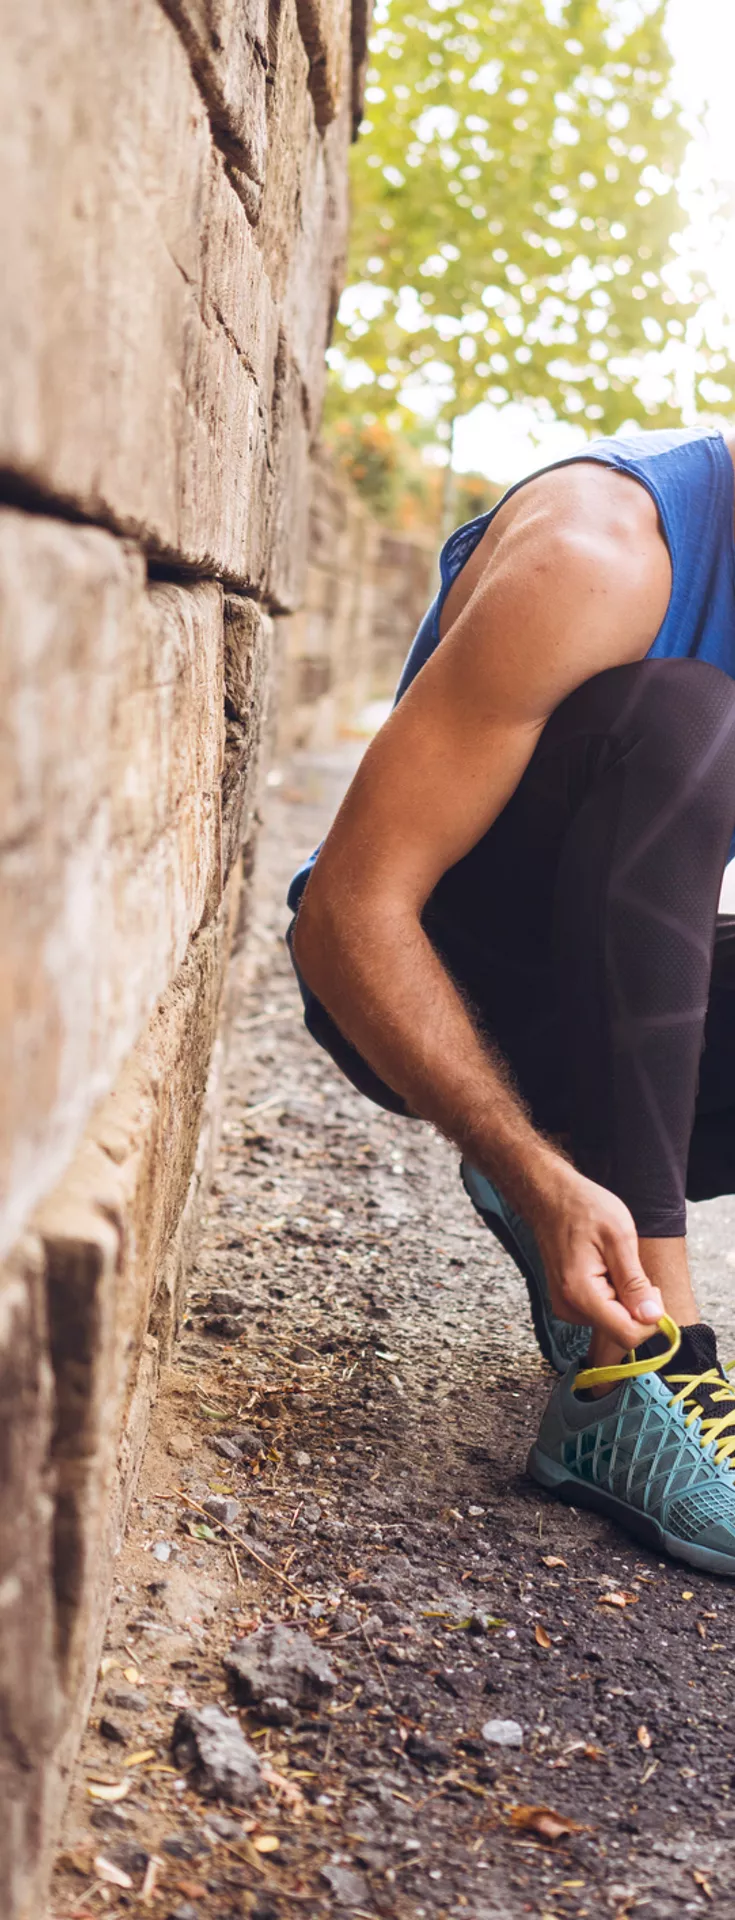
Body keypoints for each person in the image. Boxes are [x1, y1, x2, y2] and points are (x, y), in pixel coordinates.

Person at [287, 425, 735, 1577]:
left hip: (623, 999)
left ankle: (598, 1182)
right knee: (685, 718)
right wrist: (528, 1164)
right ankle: (640, 1358)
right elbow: (345, 918)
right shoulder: (598, 555)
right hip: (434, 976)